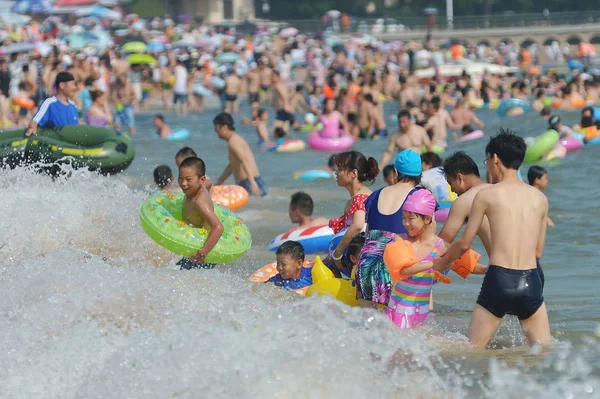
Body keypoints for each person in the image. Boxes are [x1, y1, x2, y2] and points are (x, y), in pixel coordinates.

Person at [433, 130, 551, 350]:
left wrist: (440, 263)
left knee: (471, 350)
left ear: (495, 159)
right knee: (543, 352)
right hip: (532, 280)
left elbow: (463, 243)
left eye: (487, 160)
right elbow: (538, 252)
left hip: (500, 279)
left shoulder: (484, 196)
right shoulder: (541, 199)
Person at [356, 150, 422, 307]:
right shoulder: (419, 197)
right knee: (399, 326)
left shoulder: (376, 195)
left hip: (367, 263)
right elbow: (425, 238)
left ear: (396, 172)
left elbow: (368, 234)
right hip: (395, 263)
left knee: (366, 324)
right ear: (420, 174)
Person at [386, 189, 447, 329]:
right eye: (403, 217)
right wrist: (433, 263)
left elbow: (469, 265)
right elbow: (403, 271)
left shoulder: (441, 247)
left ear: (427, 219)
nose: (406, 223)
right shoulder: (400, 239)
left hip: (422, 314)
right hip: (397, 311)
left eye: (411, 218)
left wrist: (489, 269)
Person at [327, 151, 379, 278]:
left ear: (354, 173)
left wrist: (338, 253)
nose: (336, 173)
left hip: (364, 260)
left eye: (340, 169)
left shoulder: (360, 198)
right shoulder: (354, 200)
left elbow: (357, 225)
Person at [177, 157, 224, 270]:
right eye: (180, 178)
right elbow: (209, 183)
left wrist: (202, 252)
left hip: (201, 250)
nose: (183, 183)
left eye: (188, 179)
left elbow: (218, 227)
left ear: (201, 179)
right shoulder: (201, 185)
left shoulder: (199, 202)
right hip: (196, 244)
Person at [213, 112, 267, 197]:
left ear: (224, 127)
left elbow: (243, 160)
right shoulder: (235, 139)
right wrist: (219, 182)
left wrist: (252, 183)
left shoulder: (233, 142)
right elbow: (232, 165)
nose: (216, 132)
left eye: (217, 130)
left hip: (248, 182)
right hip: (253, 180)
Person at [26, 71, 79, 136]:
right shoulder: (49, 103)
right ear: (62, 85)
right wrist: (32, 129)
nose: (74, 87)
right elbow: (34, 122)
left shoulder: (73, 106)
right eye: (72, 84)